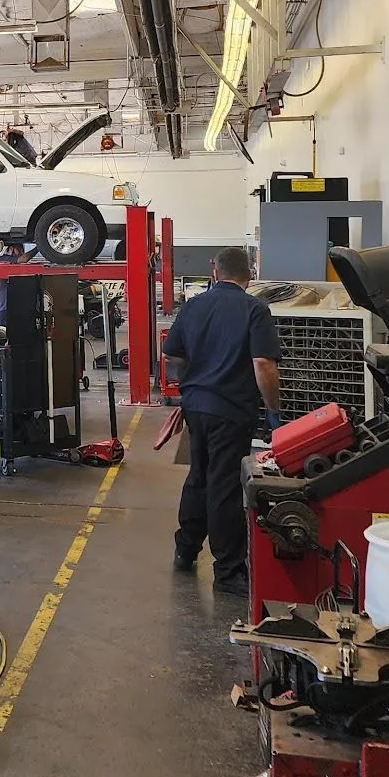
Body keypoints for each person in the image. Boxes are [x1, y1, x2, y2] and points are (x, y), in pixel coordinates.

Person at [162, 247, 281, 596]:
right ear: (250, 273)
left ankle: (185, 551)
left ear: (215, 271)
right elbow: (264, 364)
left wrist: (191, 385)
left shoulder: (195, 305)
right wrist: (274, 411)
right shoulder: (255, 309)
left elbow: (171, 354)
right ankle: (228, 572)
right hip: (231, 411)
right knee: (225, 487)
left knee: (198, 477)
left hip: (196, 407)